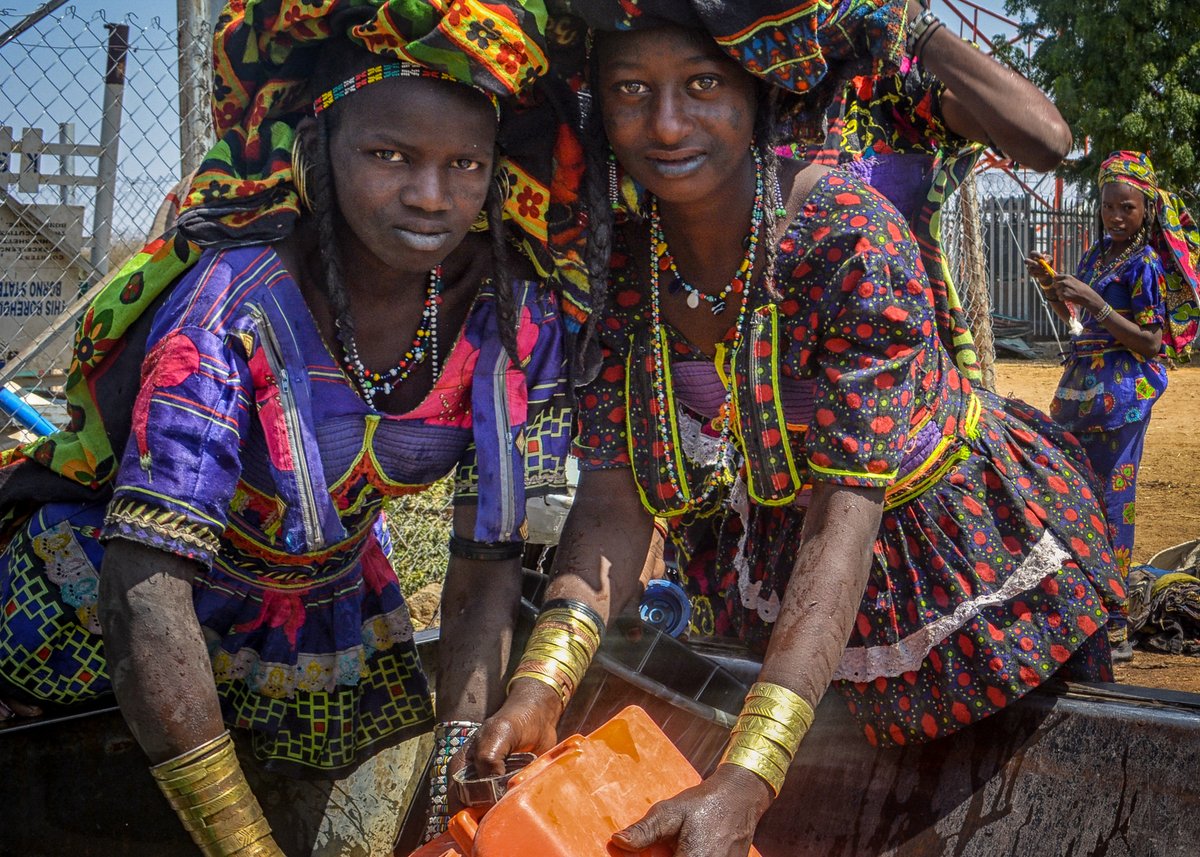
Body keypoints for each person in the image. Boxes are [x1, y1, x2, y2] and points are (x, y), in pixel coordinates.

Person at [469, 4, 1125, 855]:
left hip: (962, 570)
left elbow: (846, 512)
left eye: (702, 85)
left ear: (760, 96)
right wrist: (538, 689)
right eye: (631, 90)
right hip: (796, 580)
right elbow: (612, 499)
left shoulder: (847, 238)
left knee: (1004, 820)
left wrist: (750, 770)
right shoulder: (617, 253)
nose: (665, 124)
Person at [0, 1, 565, 854]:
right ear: (316, 150)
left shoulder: (503, 319)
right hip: (105, 628)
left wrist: (458, 796)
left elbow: (487, 564)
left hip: (308, 633)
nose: (430, 196)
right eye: (389, 155)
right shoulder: (233, 307)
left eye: (465, 164)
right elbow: (146, 587)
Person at [790, 0, 1073, 384]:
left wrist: (918, 28)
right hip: (766, 360)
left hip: (894, 361)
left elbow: (1046, 141)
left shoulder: (895, 87)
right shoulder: (748, 75)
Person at [1025, 150, 1200, 661]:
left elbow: (1150, 342)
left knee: (1113, 503)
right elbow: (1078, 320)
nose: (1116, 216)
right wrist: (1053, 287)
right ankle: (1085, 608)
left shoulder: (1145, 264)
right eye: (1108, 207)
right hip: (1081, 392)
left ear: (1147, 209)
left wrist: (1095, 302)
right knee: (1075, 496)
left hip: (1123, 396)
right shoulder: (1096, 255)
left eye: (1127, 208)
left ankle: (1117, 623)